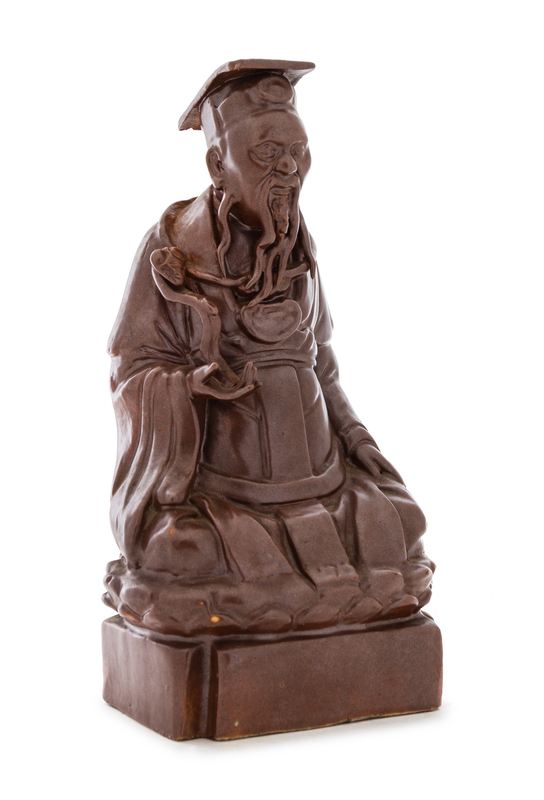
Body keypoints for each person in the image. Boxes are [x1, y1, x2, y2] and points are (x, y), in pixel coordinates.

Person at [104, 60, 434, 637]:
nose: (288, 168)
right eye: (266, 153)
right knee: (179, 551)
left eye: (298, 152)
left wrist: (357, 439)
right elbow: (132, 368)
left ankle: (299, 602)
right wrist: (187, 386)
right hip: (225, 492)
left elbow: (323, 362)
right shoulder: (170, 254)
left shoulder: (299, 252)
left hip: (324, 484)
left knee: (403, 523)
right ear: (218, 165)